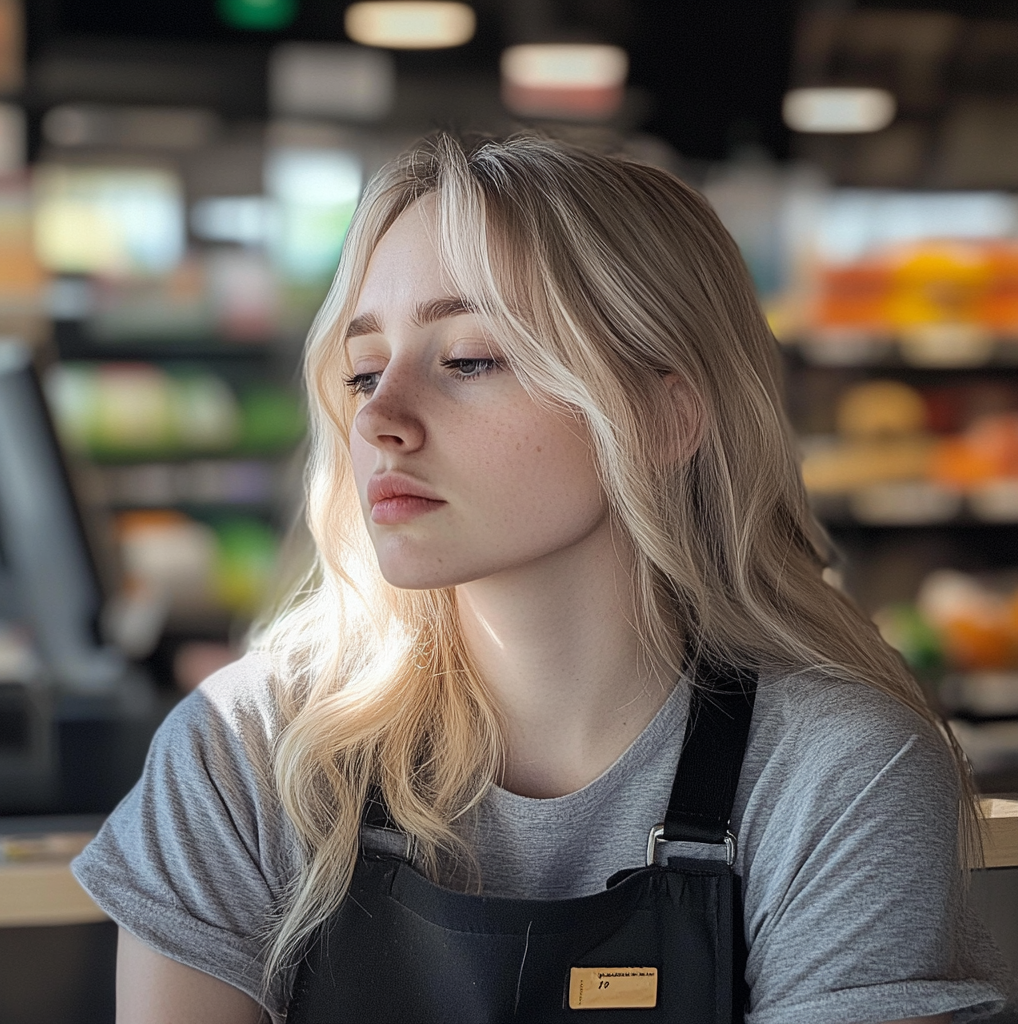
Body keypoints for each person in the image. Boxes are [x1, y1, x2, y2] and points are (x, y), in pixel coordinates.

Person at [74, 133, 1007, 1024]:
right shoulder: (249, 752)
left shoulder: (836, 775)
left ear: (661, 417)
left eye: (469, 359)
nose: (381, 419)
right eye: (362, 374)